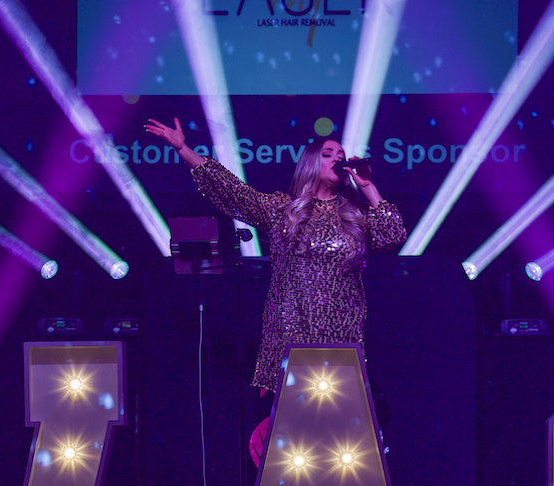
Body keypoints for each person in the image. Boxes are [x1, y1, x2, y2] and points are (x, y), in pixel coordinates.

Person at [143, 118, 406, 464]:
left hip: (342, 341)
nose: (338, 158)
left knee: (342, 453)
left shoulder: (355, 215)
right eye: (328, 153)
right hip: (291, 338)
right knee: (294, 455)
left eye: (341, 154)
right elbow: (233, 191)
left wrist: (369, 186)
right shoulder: (283, 209)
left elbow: (393, 236)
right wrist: (184, 150)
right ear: (311, 162)